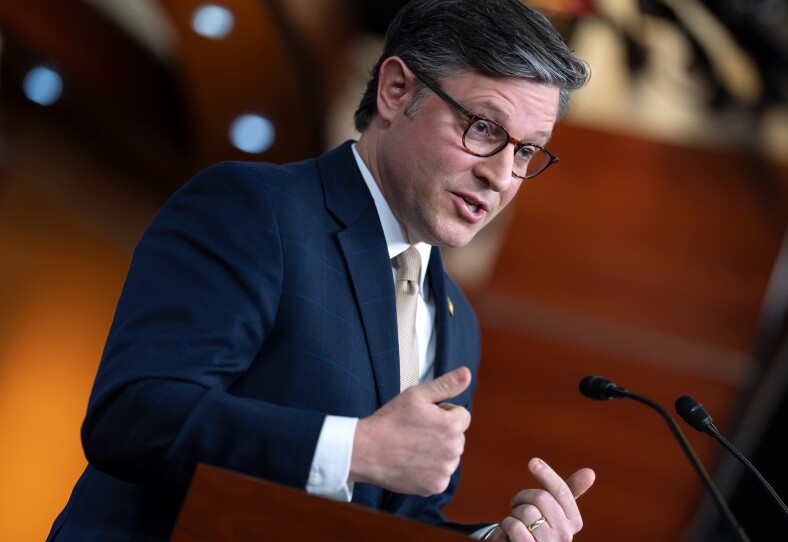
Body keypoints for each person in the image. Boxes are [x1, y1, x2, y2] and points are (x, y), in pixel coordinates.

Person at [47, 0, 594, 540]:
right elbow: (134, 416)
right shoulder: (256, 209)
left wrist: (490, 540)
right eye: (483, 127)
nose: (502, 175)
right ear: (396, 91)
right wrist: (355, 448)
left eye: (527, 152)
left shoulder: (459, 322)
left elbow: (393, 517)